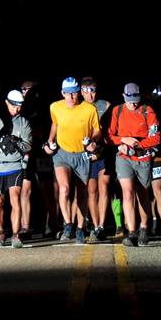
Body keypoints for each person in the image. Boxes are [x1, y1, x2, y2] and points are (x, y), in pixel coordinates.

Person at [43, 77, 101, 244]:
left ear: (79, 93)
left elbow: (97, 130)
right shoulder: (55, 107)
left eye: (75, 94)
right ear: (62, 93)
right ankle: (68, 224)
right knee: (65, 188)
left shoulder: (89, 109)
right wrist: (50, 140)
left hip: (81, 155)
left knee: (81, 194)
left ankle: (80, 228)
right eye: (68, 94)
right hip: (62, 153)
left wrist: (93, 142)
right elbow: (55, 125)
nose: (71, 98)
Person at [108, 83, 161, 246]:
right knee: (128, 193)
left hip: (143, 158)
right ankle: (131, 232)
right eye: (130, 100)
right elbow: (110, 135)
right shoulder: (117, 110)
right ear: (124, 96)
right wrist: (122, 140)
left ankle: (144, 228)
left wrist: (138, 144)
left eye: (136, 100)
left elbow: (156, 138)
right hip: (124, 157)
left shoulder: (148, 111)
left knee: (142, 194)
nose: (133, 103)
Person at [0, 90, 32, 248]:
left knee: (15, 198)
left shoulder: (24, 122)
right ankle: (1, 232)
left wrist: (17, 142)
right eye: (15, 105)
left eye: (21, 105)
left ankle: (15, 235)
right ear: (7, 103)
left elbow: (28, 144)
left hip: (15, 165)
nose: (18, 109)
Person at [80, 76, 112, 241]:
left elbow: (109, 130)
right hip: (86, 155)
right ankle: (94, 223)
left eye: (93, 91)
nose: (90, 95)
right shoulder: (78, 107)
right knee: (91, 191)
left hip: (102, 153)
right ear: (81, 91)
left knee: (104, 187)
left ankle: (101, 226)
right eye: (87, 91)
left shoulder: (105, 105)